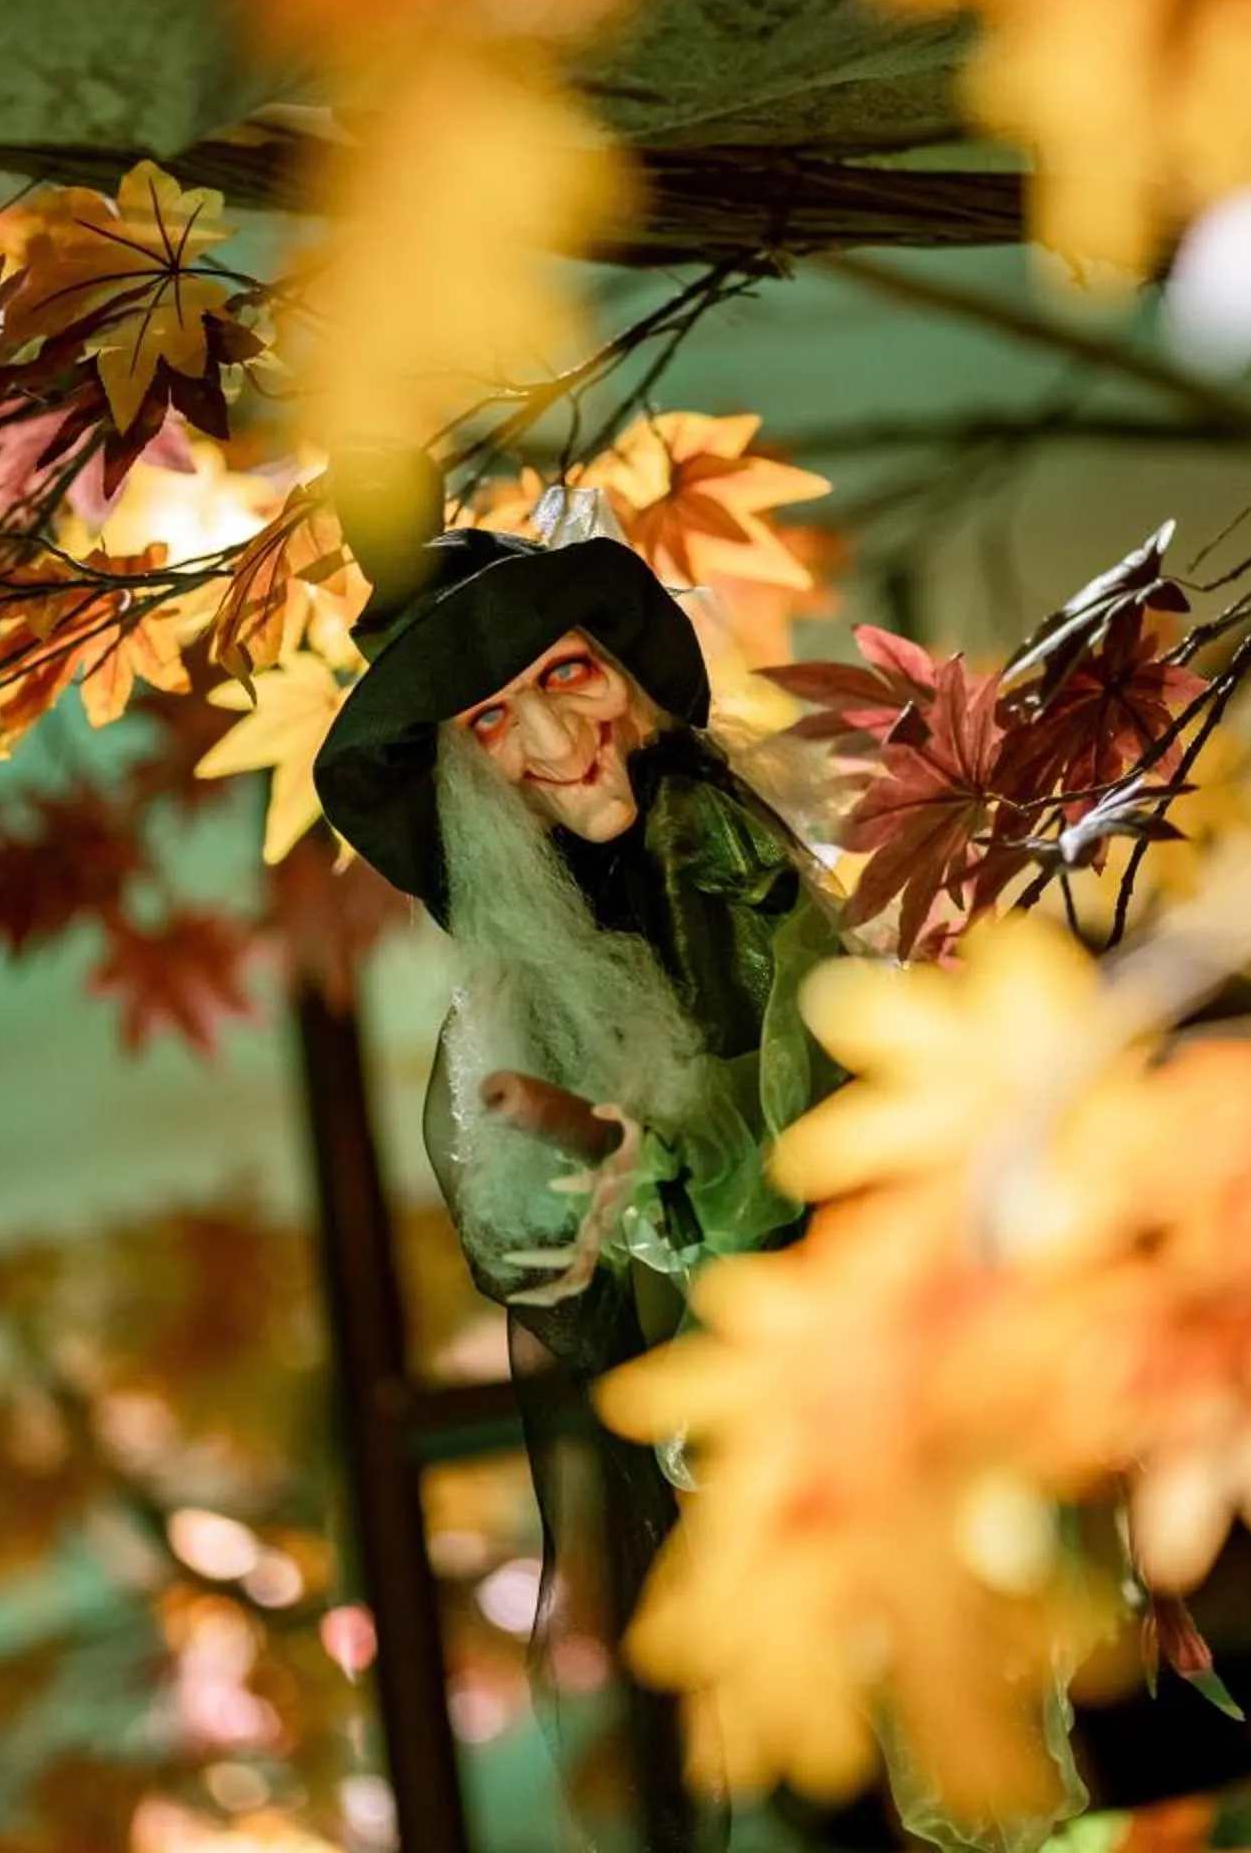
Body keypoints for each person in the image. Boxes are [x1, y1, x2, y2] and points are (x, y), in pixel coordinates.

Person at [314, 512, 844, 1850]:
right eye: (491, 724)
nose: (554, 746)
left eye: (565, 675)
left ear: (625, 663)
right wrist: (605, 1181)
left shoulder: (754, 853)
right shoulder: (519, 987)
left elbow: (812, 1100)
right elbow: (558, 1246)